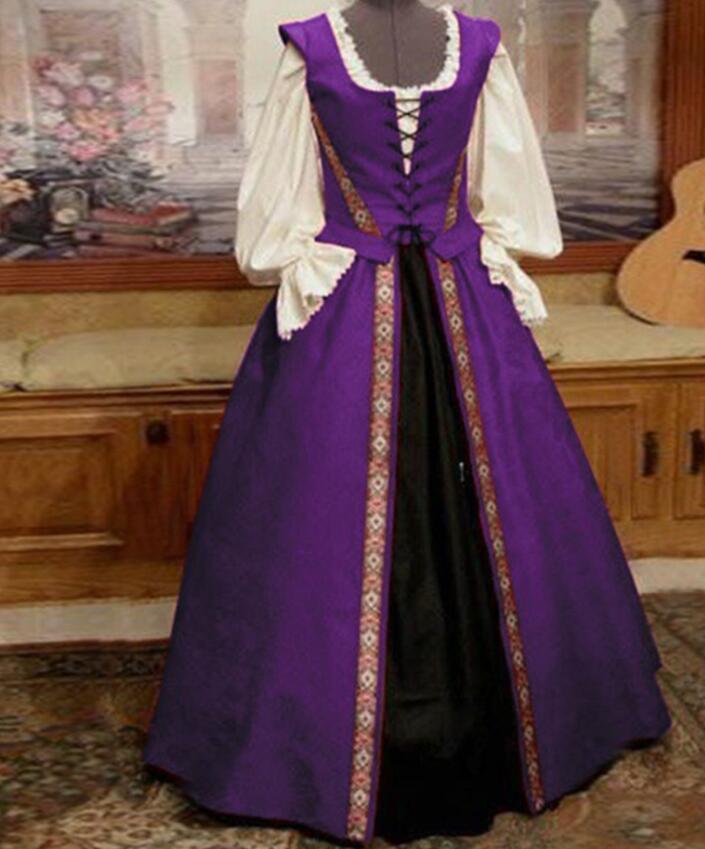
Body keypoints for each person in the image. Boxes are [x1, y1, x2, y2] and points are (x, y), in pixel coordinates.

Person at [142, 4, 672, 845]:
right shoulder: (312, 47)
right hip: (349, 294)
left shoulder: (479, 45)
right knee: (323, 510)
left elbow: (504, 185)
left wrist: (480, 245)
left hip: (452, 293)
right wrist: (310, 257)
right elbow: (280, 208)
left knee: (495, 499)